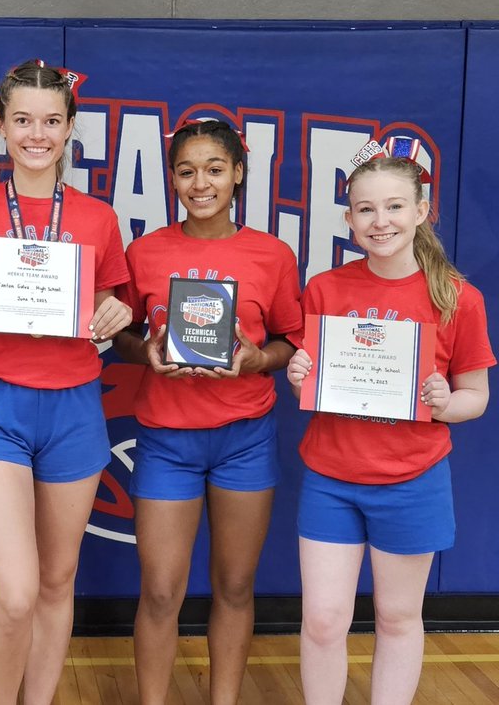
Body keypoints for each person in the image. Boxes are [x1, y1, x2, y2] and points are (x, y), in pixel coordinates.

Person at [0, 59, 132, 705]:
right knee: (15, 592)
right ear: (0, 126)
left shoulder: (98, 218)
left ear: (69, 127)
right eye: (22, 120)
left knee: (57, 581)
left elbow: (112, 306)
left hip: (75, 406)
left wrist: (119, 310)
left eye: (51, 121)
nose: (36, 133)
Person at [285, 139, 494, 704]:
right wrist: (300, 373)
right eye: (367, 210)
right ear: (349, 220)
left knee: (398, 618)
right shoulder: (325, 289)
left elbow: (477, 395)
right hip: (332, 477)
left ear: (422, 210)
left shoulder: (456, 297)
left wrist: (445, 402)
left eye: (395, 206)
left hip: (413, 479)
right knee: (324, 621)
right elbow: (312, 381)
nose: (381, 221)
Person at [111, 118, 301, 704]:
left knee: (236, 586)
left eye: (215, 169)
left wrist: (255, 360)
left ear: (238, 174)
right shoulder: (144, 251)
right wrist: (144, 351)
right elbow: (120, 334)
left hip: (244, 437)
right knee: (162, 591)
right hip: (168, 439)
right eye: (187, 171)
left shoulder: (271, 254)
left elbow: (291, 341)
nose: (201, 183)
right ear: (172, 178)